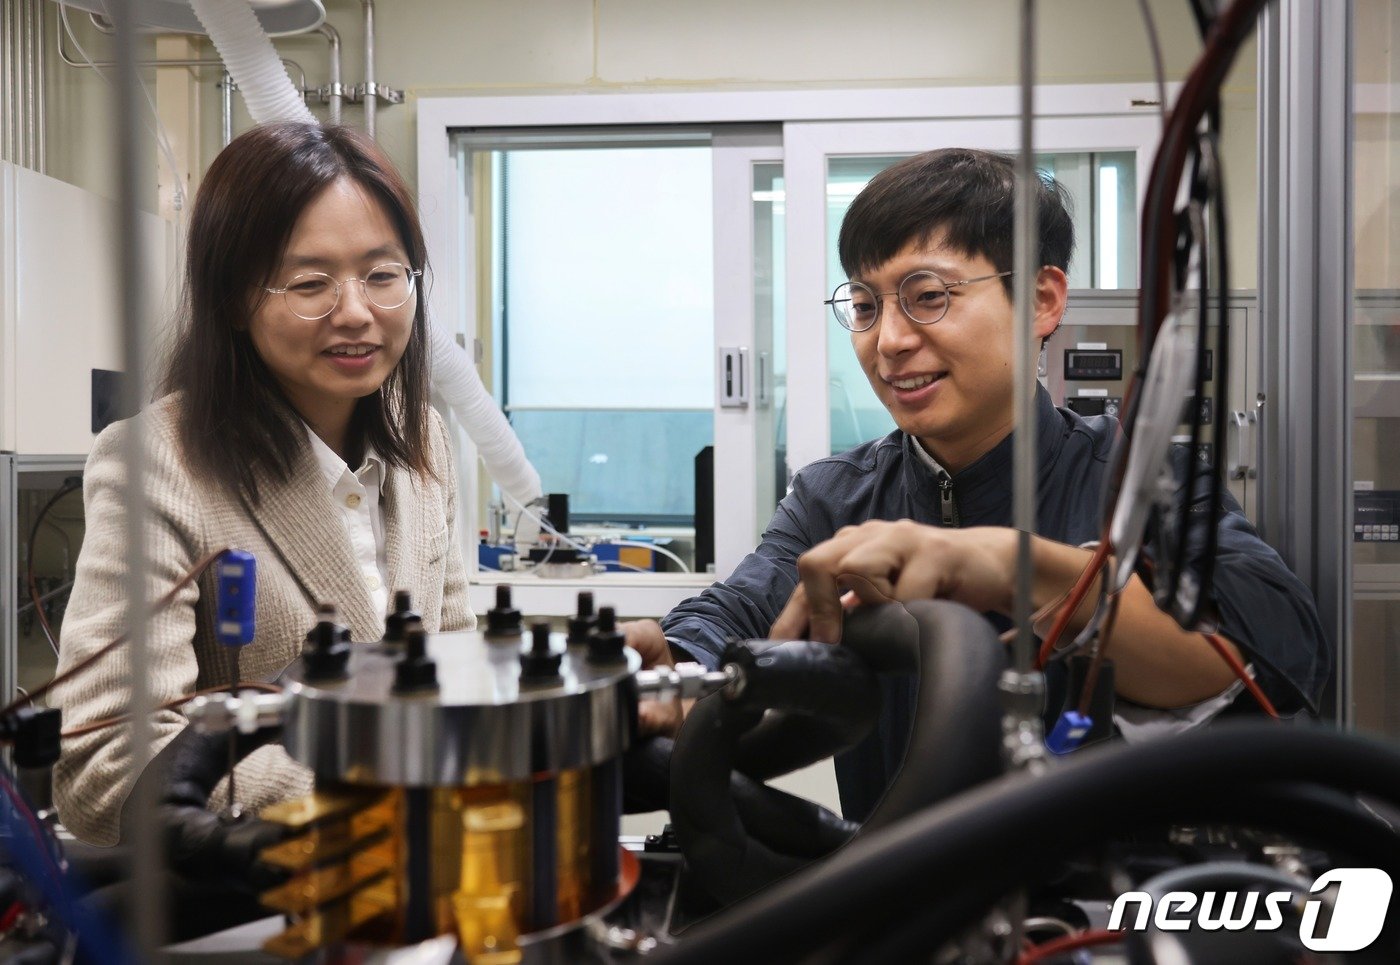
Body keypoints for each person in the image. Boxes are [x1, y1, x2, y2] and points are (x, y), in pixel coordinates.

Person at [628, 148, 1330, 821]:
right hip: (902, 906)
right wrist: (675, 660)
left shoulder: (1144, 483)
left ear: (1042, 299)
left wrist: (1011, 565)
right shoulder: (834, 499)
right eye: (867, 307)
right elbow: (743, 608)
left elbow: (1276, 648)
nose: (889, 340)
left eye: (927, 296)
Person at [52, 122, 472, 846]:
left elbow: (459, 664)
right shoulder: (159, 463)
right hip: (256, 906)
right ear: (234, 299)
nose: (355, 311)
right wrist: (367, 801)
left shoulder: (423, 442)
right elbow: (104, 761)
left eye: (382, 274)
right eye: (311, 282)